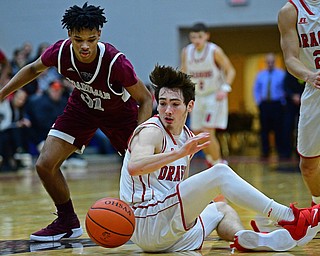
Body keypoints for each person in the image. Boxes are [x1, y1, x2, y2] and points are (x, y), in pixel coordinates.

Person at [119, 65, 320, 253]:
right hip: (145, 222)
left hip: (169, 232)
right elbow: (135, 166)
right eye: (162, 104)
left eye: (174, 104)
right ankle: (289, 217)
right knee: (220, 173)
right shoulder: (150, 132)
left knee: (221, 209)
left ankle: (248, 239)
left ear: (190, 106)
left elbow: (177, 187)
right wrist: (179, 153)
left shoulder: (187, 136)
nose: (167, 110)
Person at [0, 3, 152, 242]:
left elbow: (145, 98)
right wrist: (2, 93)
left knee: (144, 170)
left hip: (120, 115)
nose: (84, 46)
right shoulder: (60, 52)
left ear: (99, 34)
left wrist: (141, 138)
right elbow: (32, 69)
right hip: (82, 108)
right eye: (78, 39)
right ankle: (67, 222)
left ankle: (159, 216)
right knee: (44, 164)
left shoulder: (116, 62)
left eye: (91, 39)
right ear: (69, 35)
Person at [278, 0, 320, 205]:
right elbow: (290, 59)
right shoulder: (290, 11)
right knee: (308, 165)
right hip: (315, 89)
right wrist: (309, 75)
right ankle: (318, 204)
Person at [181, 22, 236, 167]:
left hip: (214, 95)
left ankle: (219, 163)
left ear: (206, 36)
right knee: (197, 133)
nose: (196, 40)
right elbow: (184, 73)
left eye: (199, 37)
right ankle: (211, 160)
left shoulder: (214, 51)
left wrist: (225, 88)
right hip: (197, 96)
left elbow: (231, 70)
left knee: (208, 131)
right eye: (193, 37)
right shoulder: (186, 52)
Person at [253, 53, 286, 159]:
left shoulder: (281, 74)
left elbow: (284, 89)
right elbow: (256, 89)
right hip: (264, 104)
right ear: (266, 62)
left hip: (277, 104)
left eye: (272, 62)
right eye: (268, 62)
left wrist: (283, 102)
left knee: (278, 129)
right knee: (264, 130)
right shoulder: (260, 75)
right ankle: (265, 151)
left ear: (275, 62)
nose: (270, 64)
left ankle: (280, 151)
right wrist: (258, 102)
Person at [0, 89, 31, 171]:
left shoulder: (21, 109)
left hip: (10, 133)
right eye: (19, 98)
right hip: (4, 133)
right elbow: (4, 125)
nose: (20, 101)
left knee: (25, 129)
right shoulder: (5, 105)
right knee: (13, 131)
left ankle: (20, 153)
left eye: (23, 100)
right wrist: (16, 124)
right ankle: (18, 151)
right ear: (13, 97)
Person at [282, 70, 305, 159]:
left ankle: (299, 152)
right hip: (290, 104)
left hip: (304, 102)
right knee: (287, 127)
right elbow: (285, 86)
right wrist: (293, 96)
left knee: (301, 128)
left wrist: (301, 96)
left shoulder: (307, 70)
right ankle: (286, 152)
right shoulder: (290, 72)